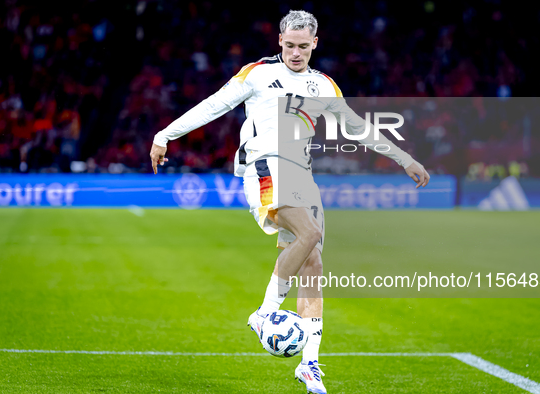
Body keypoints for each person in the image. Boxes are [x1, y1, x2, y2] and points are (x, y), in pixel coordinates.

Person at [150, 10, 430, 394]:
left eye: (303, 46)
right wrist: (165, 134)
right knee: (310, 232)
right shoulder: (258, 73)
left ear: (315, 43)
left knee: (313, 261)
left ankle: (310, 364)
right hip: (264, 166)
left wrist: (405, 158)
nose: (295, 53)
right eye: (289, 45)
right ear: (279, 40)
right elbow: (213, 105)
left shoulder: (325, 86)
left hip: (302, 175)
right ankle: (265, 314)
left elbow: (357, 128)